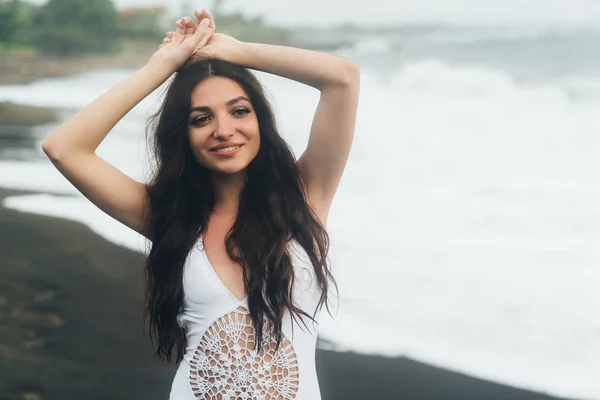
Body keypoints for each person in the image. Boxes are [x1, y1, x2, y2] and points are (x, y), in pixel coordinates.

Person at [41, 8, 359, 400]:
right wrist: (162, 66)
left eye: (239, 111)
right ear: (184, 135)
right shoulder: (168, 217)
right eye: (201, 118)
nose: (224, 130)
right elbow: (64, 148)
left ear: (259, 119)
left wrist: (235, 52)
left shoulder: (305, 198)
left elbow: (342, 78)